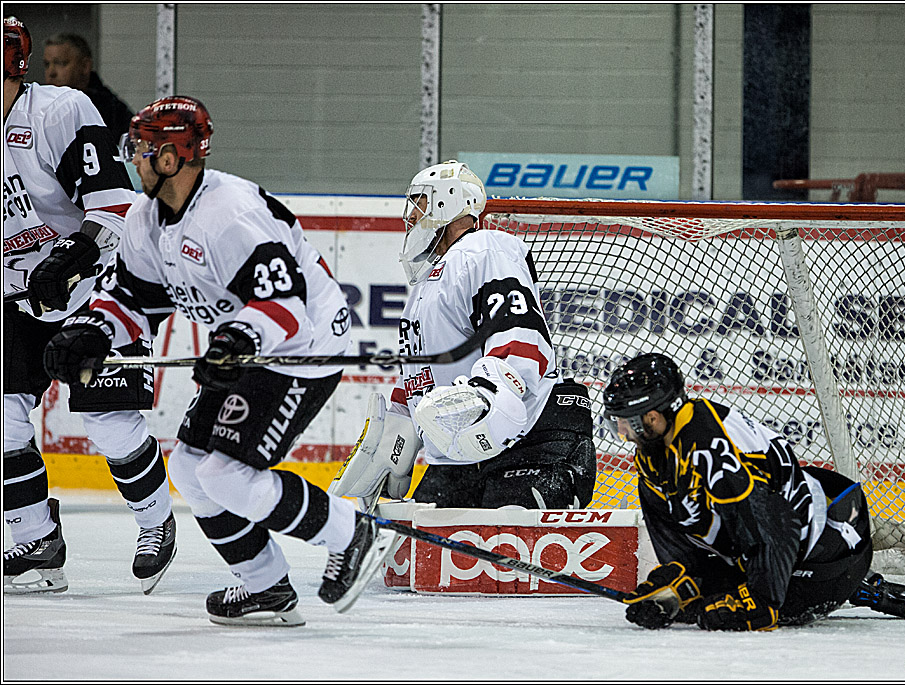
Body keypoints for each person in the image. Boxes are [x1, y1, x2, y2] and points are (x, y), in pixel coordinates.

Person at [42, 94, 398, 626]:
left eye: (140, 148)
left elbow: (285, 307)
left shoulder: (231, 215)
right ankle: (266, 587)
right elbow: (133, 300)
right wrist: (92, 332)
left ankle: (352, 534)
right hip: (252, 345)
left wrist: (235, 342)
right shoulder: (146, 220)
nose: (131, 157)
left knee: (228, 474)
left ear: (170, 157)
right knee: (189, 468)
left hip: (301, 347)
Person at [3, 16, 176, 596]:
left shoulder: (60, 111)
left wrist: (70, 258)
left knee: (108, 424)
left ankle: (155, 521)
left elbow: (117, 206)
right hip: (15, 295)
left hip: (94, 287)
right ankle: (32, 542)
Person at [602, 352, 905, 631]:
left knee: (718, 612)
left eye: (629, 421)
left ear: (659, 414)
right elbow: (680, 536)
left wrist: (759, 602)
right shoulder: (656, 456)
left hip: (829, 552)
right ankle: (860, 586)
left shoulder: (708, 442)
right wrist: (675, 585)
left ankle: (855, 585)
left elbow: (773, 521)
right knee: (691, 608)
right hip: (788, 549)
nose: (623, 432)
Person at [332, 160, 596, 511]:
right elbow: (422, 371)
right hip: (461, 452)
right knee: (415, 555)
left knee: (512, 561)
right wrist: (399, 430)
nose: (410, 215)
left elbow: (519, 333)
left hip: (531, 440)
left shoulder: (484, 248)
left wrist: (492, 390)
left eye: (420, 201)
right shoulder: (425, 287)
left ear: (448, 201)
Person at [42, 32, 132, 136]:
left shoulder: (112, 112)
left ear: (85, 66)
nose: (51, 72)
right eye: (46, 64)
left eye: (61, 63)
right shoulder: (37, 107)